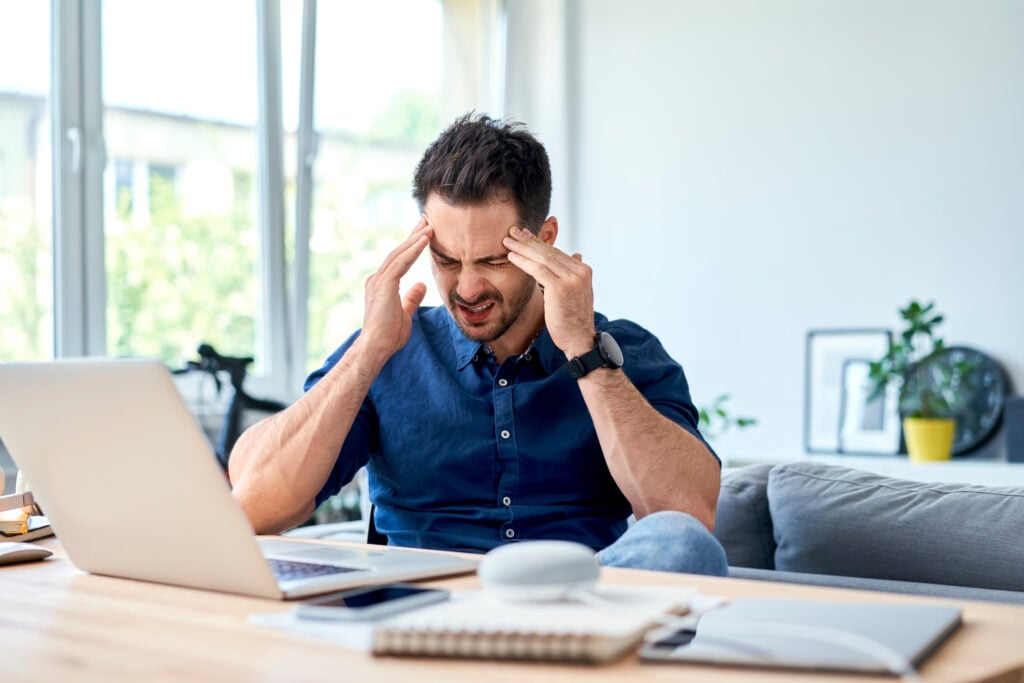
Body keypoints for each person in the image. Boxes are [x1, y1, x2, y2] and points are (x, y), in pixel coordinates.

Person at [229, 113, 727, 575]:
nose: (467, 290)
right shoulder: (391, 348)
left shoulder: (624, 351)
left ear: (545, 239)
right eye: (446, 260)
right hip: (419, 609)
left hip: (575, 609)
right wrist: (367, 356)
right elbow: (253, 504)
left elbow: (686, 517)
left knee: (684, 545)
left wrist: (583, 349)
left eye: (492, 262)